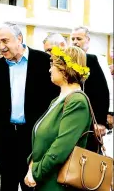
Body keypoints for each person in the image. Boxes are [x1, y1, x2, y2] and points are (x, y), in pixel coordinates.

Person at [0, 22, 59, 191]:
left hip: (34, 138)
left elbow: (57, 98)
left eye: (5, 41)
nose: (1, 46)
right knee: (7, 185)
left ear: (19, 39)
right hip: (6, 138)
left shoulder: (44, 62)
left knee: (32, 185)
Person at [24, 46, 92, 191]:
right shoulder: (57, 100)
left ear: (64, 68)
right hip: (47, 178)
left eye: (52, 65)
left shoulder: (76, 102)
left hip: (57, 183)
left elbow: (60, 148)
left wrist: (35, 173)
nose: (49, 70)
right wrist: (32, 164)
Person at [43, 32, 110, 141]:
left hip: (86, 122)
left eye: (50, 50)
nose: (48, 54)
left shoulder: (89, 59)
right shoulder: (52, 65)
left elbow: (101, 91)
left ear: (62, 45)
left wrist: (100, 121)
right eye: (46, 51)